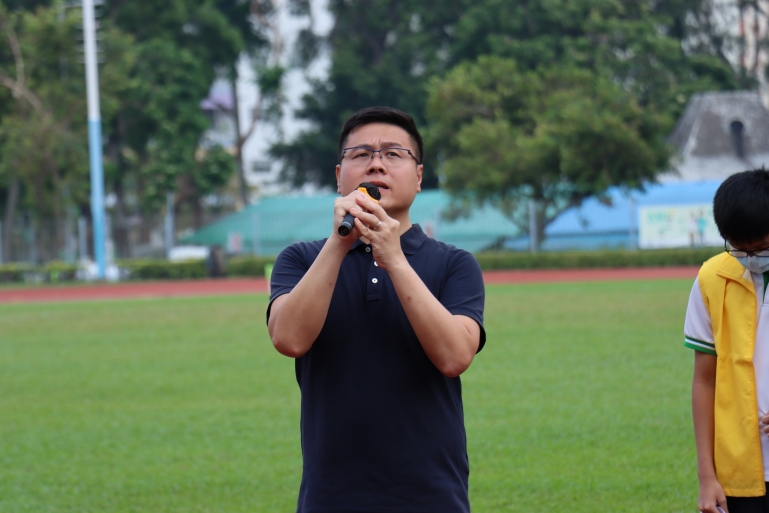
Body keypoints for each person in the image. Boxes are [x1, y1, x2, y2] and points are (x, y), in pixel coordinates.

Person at [267, 107, 486, 512]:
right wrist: (339, 243)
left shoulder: (454, 265)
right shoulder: (301, 259)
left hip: (432, 496)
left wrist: (395, 259)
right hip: (331, 497)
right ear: (339, 176)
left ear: (418, 177)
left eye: (393, 154)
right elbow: (289, 338)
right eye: (362, 154)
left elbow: (455, 356)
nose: (376, 164)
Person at [685, 168, 769, 513]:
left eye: (762, 249)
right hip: (739, 471)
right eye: (739, 250)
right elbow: (704, 381)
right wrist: (707, 476)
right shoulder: (711, 278)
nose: (751, 259)